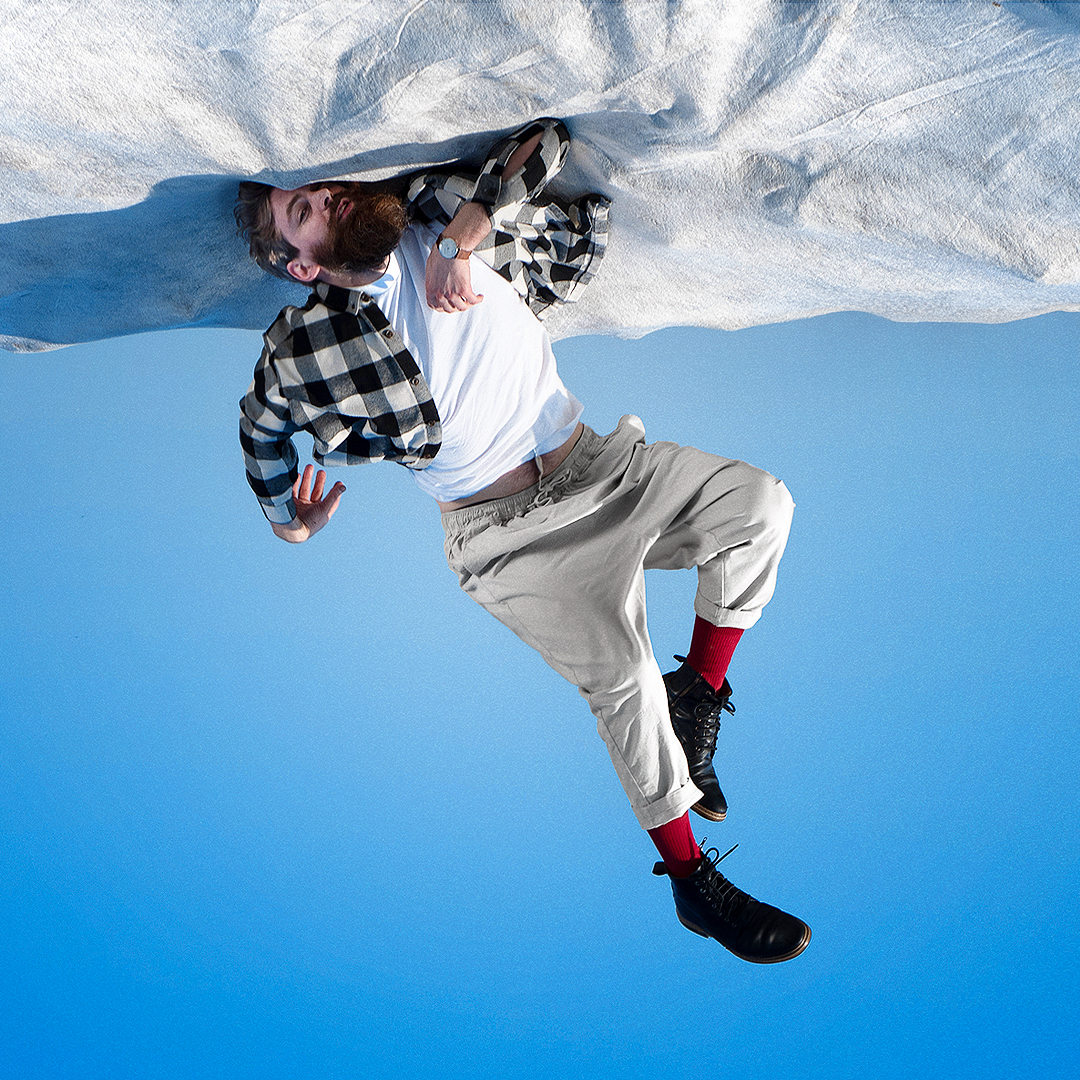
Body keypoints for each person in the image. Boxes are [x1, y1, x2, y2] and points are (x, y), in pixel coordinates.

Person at [234, 118, 811, 964]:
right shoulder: (305, 342)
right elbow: (258, 426)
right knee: (621, 682)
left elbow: (549, 141)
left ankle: (698, 690)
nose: (322, 197)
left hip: (602, 468)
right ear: (302, 263)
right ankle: (693, 883)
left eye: (316, 190)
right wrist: (287, 518)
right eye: (299, 213)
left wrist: (467, 234)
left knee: (760, 506)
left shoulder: (428, 213)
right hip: (507, 539)